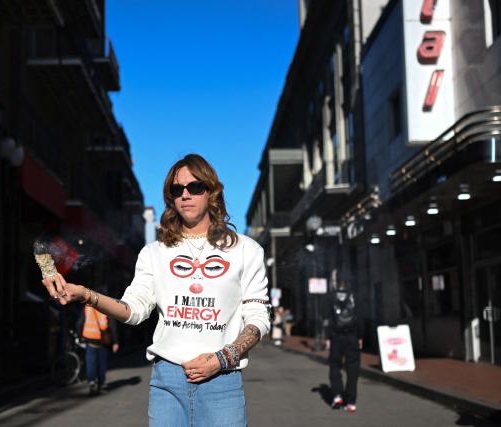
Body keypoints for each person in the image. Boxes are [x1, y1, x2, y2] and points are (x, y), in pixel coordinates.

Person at [42, 154, 270, 426]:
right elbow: (133, 310)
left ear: (211, 192)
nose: (185, 195)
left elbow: (258, 317)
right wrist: (86, 295)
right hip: (168, 381)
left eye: (195, 187)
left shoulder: (245, 250)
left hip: (222, 381)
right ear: (171, 198)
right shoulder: (154, 252)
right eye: (177, 189)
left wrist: (222, 359)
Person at [324, 279, 363, 413]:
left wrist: (328, 337)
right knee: (353, 368)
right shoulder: (355, 296)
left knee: (334, 365)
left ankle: (338, 395)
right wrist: (360, 337)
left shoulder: (330, 297)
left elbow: (327, 318)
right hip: (352, 337)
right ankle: (351, 402)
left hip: (336, 337)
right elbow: (360, 317)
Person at [77, 302, 119, 395]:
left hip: (89, 339)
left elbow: (80, 322)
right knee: (101, 363)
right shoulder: (107, 307)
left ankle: (91, 382)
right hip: (102, 340)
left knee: (90, 363)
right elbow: (112, 326)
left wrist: (80, 336)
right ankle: (101, 383)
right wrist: (115, 342)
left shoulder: (87, 307)